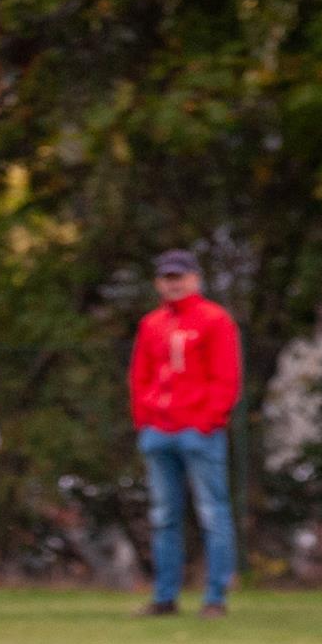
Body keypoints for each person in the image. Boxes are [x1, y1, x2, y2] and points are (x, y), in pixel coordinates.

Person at [129, 249, 241, 618]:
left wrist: (207, 420)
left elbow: (226, 377)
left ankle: (215, 597)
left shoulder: (215, 320)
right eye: (167, 277)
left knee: (212, 513)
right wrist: (145, 418)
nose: (173, 283)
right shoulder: (152, 323)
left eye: (180, 276)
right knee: (164, 516)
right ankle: (165, 596)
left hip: (199, 431)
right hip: (158, 432)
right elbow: (140, 375)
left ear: (195, 278)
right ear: (158, 282)